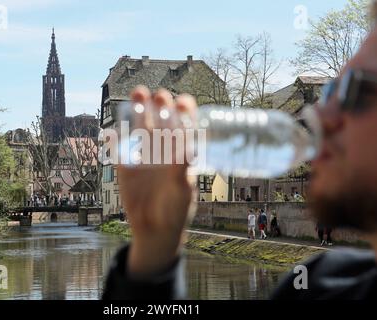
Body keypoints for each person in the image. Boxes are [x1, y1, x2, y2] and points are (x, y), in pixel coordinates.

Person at [103, 5, 377, 299]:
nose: (320, 113)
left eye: (355, 90)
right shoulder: (321, 284)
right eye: (330, 91)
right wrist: (151, 260)